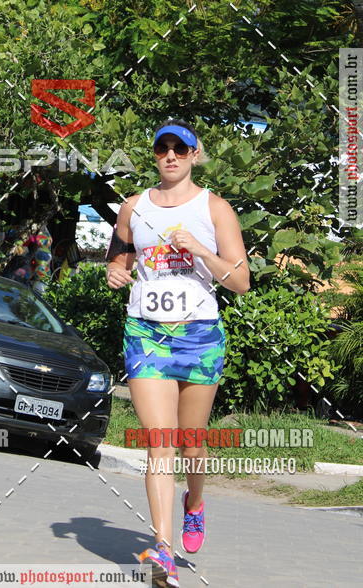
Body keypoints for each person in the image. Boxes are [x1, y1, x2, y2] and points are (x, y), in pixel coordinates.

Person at [105, 119, 249, 587]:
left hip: (199, 335)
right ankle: (162, 550)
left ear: (193, 155)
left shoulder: (215, 208)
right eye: (162, 148)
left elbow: (241, 281)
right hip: (146, 333)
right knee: (160, 441)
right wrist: (114, 271)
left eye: (179, 149)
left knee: (191, 443)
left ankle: (195, 503)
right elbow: (120, 254)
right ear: (155, 155)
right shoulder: (134, 206)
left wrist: (202, 251)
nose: (170, 155)